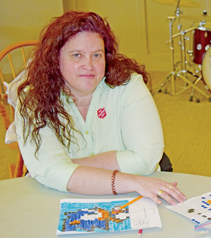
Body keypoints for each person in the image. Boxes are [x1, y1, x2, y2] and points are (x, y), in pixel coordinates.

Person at [15, 11, 186, 206]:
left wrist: (65, 168)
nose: (88, 65)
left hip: (134, 197)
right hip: (68, 198)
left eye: (97, 55)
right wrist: (130, 179)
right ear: (55, 59)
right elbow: (49, 171)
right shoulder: (32, 99)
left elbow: (145, 159)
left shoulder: (128, 85)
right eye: (77, 55)